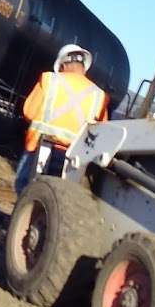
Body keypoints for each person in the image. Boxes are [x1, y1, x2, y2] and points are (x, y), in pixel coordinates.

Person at [15, 43, 109, 194]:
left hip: (38, 150)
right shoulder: (100, 96)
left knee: (26, 191)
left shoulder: (49, 79)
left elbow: (29, 112)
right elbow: (101, 132)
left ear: (63, 65)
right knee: (57, 200)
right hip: (74, 161)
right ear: (84, 66)